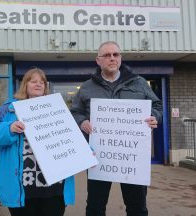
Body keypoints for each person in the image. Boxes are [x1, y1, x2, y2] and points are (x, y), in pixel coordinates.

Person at [70, 41, 162, 216]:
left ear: (120, 58)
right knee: (95, 207)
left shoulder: (139, 83)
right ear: (98, 61)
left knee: (137, 207)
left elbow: (157, 105)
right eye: (107, 55)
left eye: (116, 54)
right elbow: (75, 112)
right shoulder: (87, 87)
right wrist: (82, 122)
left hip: (132, 157)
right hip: (100, 157)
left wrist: (154, 117)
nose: (112, 58)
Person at [0, 68, 75, 216]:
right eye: (33, 81)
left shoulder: (56, 109)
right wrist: (10, 128)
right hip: (22, 186)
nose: (38, 84)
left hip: (53, 184)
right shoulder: (9, 109)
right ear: (25, 84)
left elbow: (71, 135)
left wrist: (86, 152)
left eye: (42, 82)